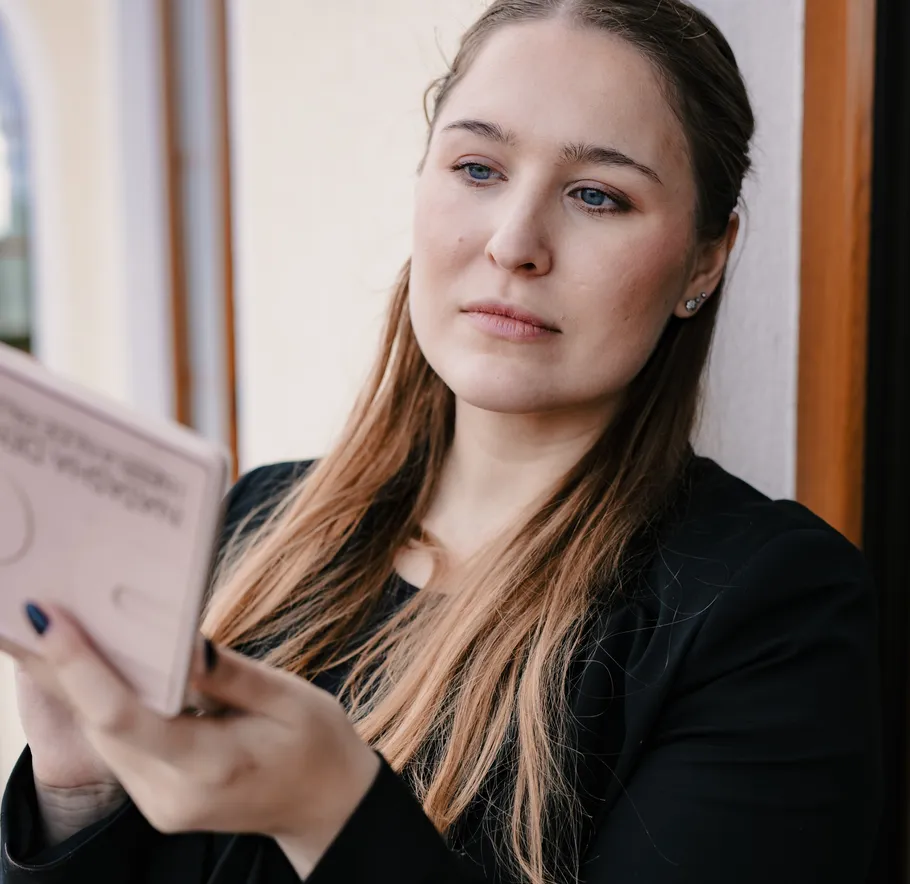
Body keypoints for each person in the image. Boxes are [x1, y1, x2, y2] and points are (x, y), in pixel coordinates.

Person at [0, 1, 882, 882]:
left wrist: (333, 811)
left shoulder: (772, 615)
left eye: (596, 195)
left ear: (704, 260)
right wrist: (77, 792)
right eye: (478, 167)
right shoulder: (249, 522)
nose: (513, 243)